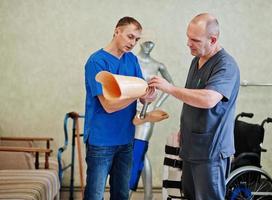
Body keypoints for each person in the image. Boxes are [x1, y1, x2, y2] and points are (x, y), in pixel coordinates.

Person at [149, 13, 240, 200]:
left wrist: (170, 88)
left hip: (210, 151)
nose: (188, 43)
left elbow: (208, 99)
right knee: (189, 196)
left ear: (213, 39)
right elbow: (192, 98)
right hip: (191, 146)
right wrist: (184, 129)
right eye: (188, 37)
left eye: (195, 40)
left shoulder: (226, 65)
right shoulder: (196, 60)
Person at [83, 16, 156, 200]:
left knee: (122, 195)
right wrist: (137, 95)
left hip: (126, 141)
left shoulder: (131, 60)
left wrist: (147, 97)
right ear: (117, 31)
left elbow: (141, 96)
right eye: (130, 37)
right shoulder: (96, 62)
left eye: (137, 39)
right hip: (101, 142)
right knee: (94, 195)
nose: (133, 43)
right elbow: (108, 106)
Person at [129, 41, 173, 199]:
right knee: (138, 153)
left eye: (153, 43)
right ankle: (148, 195)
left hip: (146, 113)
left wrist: (156, 106)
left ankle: (127, 191)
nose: (150, 46)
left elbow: (170, 86)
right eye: (147, 42)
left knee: (138, 150)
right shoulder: (131, 59)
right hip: (129, 110)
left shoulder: (157, 65)